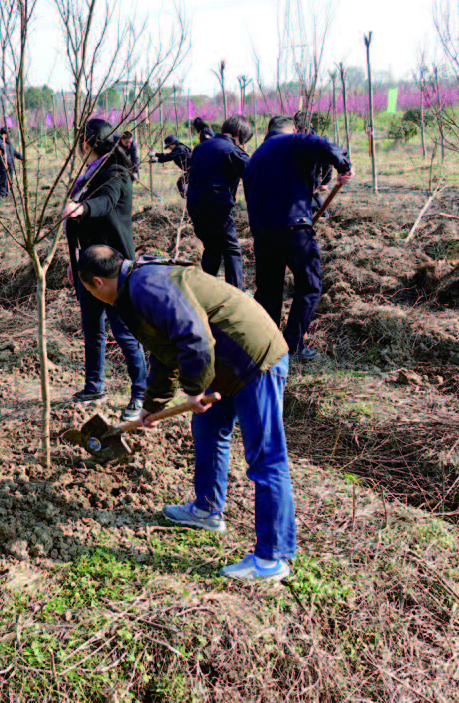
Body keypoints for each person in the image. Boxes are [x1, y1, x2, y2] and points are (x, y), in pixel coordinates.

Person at [76, 245, 294, 583]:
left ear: (96, 282)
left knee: (266, 460)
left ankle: (272, 558)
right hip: (221, 366)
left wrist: (193, 391)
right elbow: (167, 353)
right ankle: (207, 510)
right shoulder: (134, 289)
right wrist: (152, 406)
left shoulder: (147, 286)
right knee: (207, 432)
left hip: (253, 359)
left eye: (88, 291)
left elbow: (194, 337)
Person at [242, 121, 353, 361]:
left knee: (269, 290)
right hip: (293, 226)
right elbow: (321, 144)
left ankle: (268, 346)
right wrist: (343, 164)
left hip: (262, 231)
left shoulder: (255, 157)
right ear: (292, 130)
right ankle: (293, 345)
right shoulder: (293, 140)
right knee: (309, 284)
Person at [61, 119, 149, 418]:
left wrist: (82, 207)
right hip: (89, 265)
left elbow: (105, 202)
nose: (77, 148)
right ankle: (94, 385)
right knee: (92, 331)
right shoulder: (88, 174)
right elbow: (77, 226)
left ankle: (141, 394)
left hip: (114, 269)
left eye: (79, 142)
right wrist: (74, 263)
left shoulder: (115, 172)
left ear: (89, 142)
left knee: (124, 333)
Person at [185, 115, 252, 289]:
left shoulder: (200, 147)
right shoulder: (232, 151)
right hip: (216, 206)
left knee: (212, 247)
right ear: (238, 132)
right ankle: (237, 295)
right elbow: (254, 173)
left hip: (194, 205)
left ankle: (204, 291)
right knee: (231, 249)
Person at [0, 127, 24, 199]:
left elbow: (13, 151)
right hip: (3, 164)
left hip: (10, 163)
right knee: (3, 178)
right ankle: (2, 194)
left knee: (10, 178)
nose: (9, 135)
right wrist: (2, 153)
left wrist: (21, 157)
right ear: (4, 134)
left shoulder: (8, 142)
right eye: (8, 133)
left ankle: (7, 193)